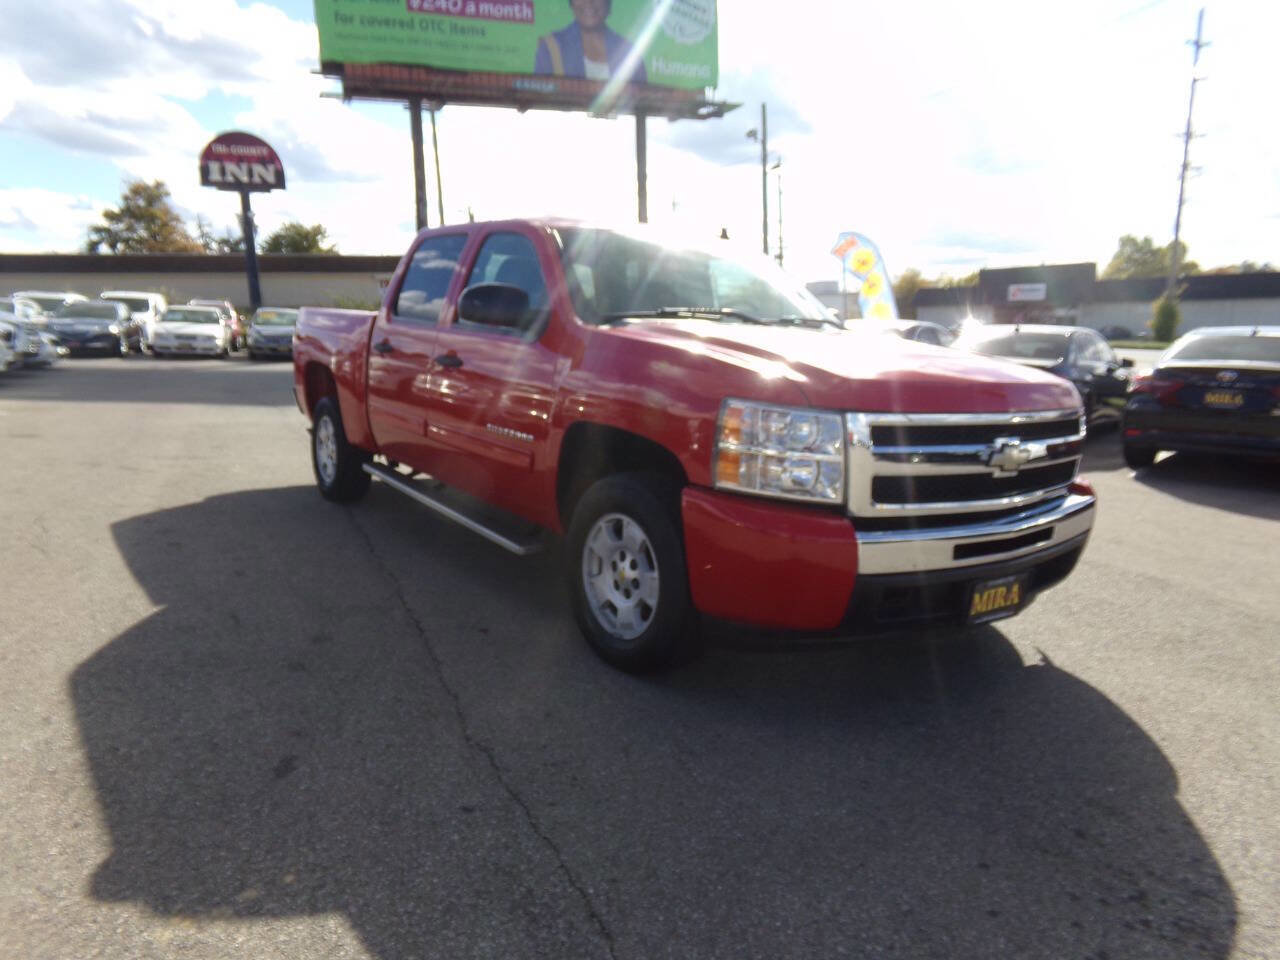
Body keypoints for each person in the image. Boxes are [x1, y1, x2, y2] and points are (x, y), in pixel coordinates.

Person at [534, 0, 647, 84]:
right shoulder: (551, 48)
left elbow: (641, 104)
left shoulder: (629, 52)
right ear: (571, 3)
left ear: (608, 4)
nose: (589, 2)